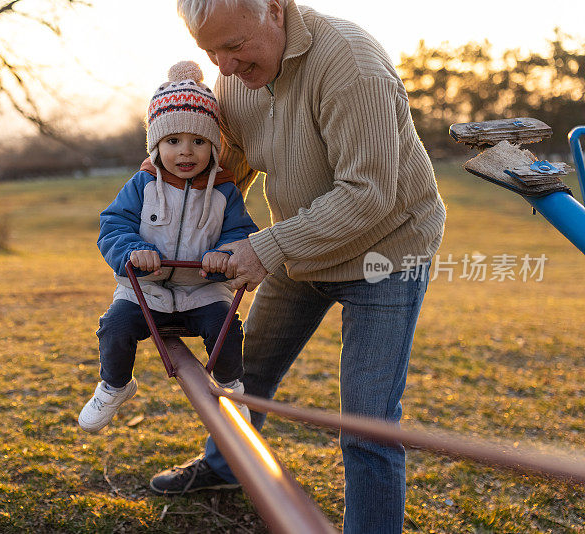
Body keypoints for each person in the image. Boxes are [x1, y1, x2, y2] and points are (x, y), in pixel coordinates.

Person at [148, 2, 446, 533]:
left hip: (386, 250)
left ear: (275, 10)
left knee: (366, 424)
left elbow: (369, 193)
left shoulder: (352, 66)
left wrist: (266, 248)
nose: (224, 66)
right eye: (208, 51)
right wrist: (173, 209)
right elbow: (233, 157)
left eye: (234, 47)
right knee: (245, 371)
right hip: (301, 243)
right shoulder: (235, 74)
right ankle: (225, 468)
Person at [78, 60, 258, 434]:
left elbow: (241, 232)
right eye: (173, 141)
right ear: (156, 145)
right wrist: (133, 252)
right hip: (146, 292)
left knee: (226, 326)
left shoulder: (224, 190)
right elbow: (114, 225)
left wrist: (223, 253)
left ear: (214, 145)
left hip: (202, 291)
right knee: (114, 326)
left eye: (199, 142)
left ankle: (230, 388)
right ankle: (115, 386)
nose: (186, 152)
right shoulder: (142, 184)